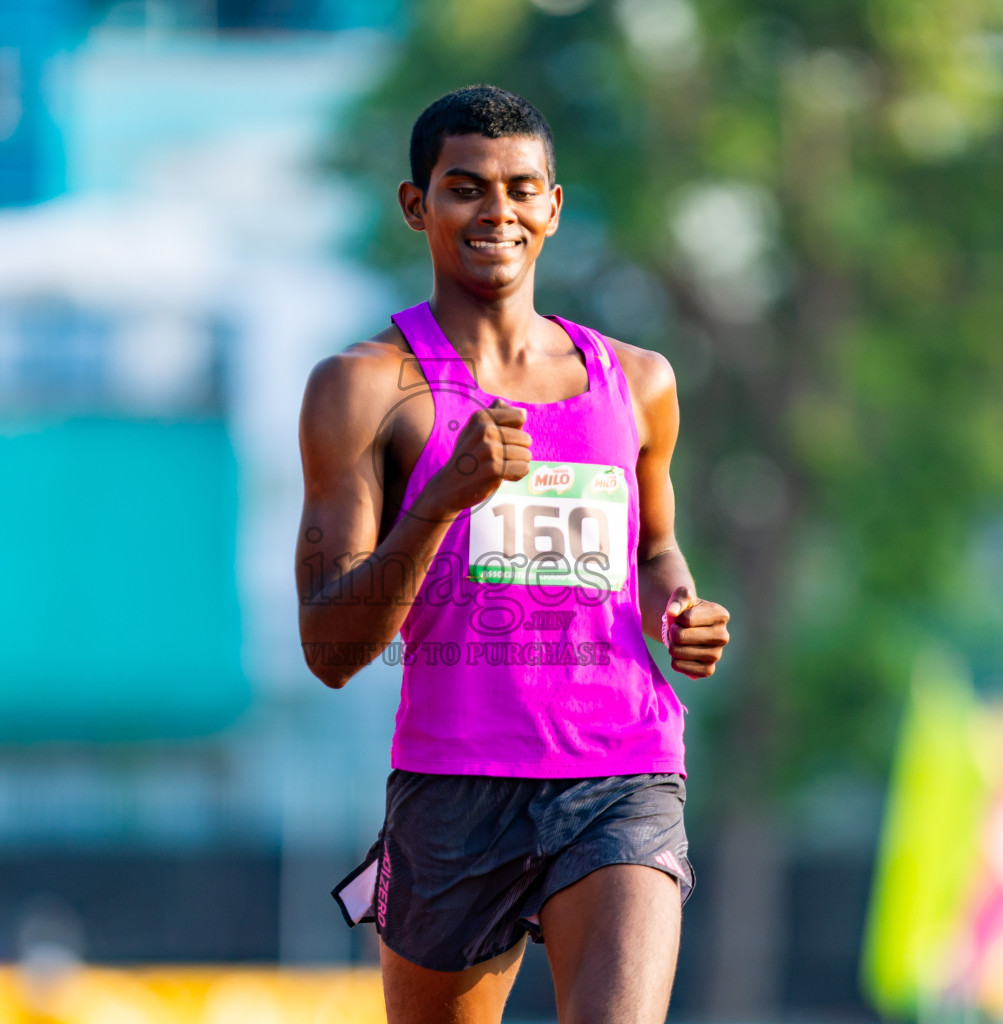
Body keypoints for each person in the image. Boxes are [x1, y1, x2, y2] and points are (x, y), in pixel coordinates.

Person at [294, 84, 731, 1024]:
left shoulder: (639, 383)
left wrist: (679, 612)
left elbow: (655, 548)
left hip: (621, 769)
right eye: (465, 188)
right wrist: (443, 502)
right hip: (452, 785)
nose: (499, 212)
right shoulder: (362, 390)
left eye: (522, 189)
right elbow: (330, 649)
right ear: (417, 207)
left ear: (554, 206)